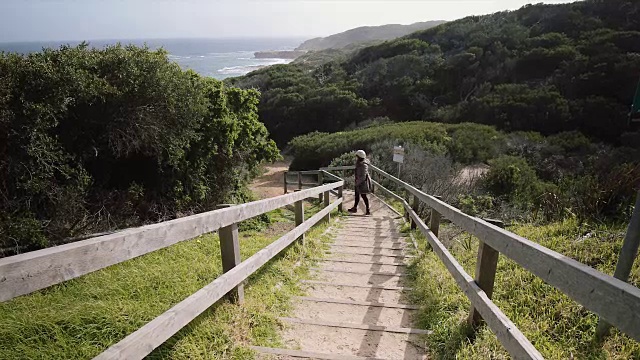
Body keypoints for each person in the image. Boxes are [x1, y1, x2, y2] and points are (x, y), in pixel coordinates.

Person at [348, 150, 372, 215]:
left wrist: (358, 182)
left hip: (363, 182)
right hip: (359, 181)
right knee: (357, 195)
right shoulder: (359, 163)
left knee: (363, 195)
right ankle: (355, 208)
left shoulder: (364, 165)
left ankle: (368, 210)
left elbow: (363, 176)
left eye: (357, 156)